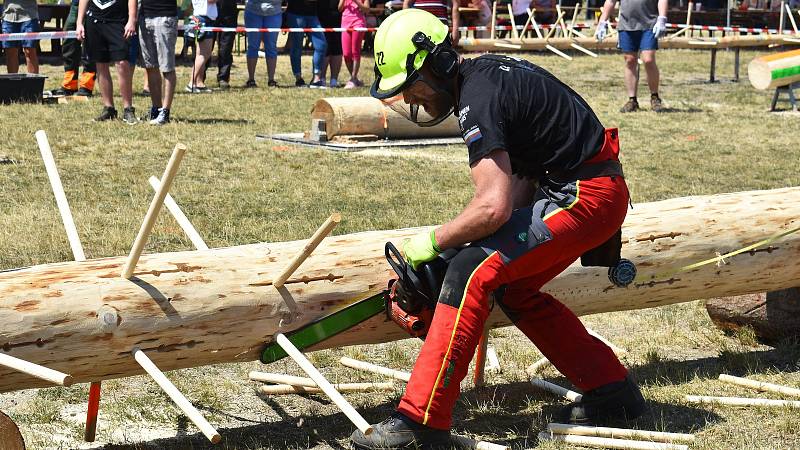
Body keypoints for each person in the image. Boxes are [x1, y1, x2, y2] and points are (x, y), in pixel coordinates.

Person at [351, 9, 646, 449]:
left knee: (469, 271)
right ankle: (612, 394)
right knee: (512, 286)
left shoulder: (478, 97)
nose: (416, 101)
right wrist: (477, 243)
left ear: (441, 63)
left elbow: (493, 206)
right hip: (582, 190)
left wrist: (432, 243)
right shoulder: (487, 78)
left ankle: (420, 423)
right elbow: (516, 193)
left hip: (585, 196)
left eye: (413, 87)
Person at [596, 0, 668, 112]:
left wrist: (662, 19)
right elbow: (610, 1)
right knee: (630, 61)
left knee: (648, 59)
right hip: (626, 25)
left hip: (649, 24)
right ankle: (632, 100)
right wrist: (602, 22)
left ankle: (655, 97)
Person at [77, 0, 138, 123]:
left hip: (118, 21)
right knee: (101, 64)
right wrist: (79, 22)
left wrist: (132, 20)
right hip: (94, 21)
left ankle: (128, 109)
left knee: (122, 63)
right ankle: (108, 108)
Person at [139, 0, 178, 124]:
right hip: (145, 17)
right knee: (150, 66)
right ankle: (156, 108)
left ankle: (165, 112)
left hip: (165, 16)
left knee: (167, 67)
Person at [53, 0, 96, 96]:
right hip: (76, 4)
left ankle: (86, 86)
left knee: (90, 44)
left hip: (93, 5)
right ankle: (70, 84)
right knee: (68, 42)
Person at [285, 0, 327, 88]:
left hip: (313, 15)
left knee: (321, 45)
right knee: (297, 46)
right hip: (295, 13)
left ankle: (316, 78)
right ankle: (298, 78)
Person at [244, 0, 282, 87]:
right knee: (253, 46)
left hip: (274, 12)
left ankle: (271, 80)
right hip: (253, 11)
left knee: (271, 46)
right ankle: (251, 80)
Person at [2, 0, 40, 74]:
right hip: (8, 17)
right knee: (10, 52)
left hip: (30, 16)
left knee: (29, 51)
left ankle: (33, 84)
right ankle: (13, 83)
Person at [186, 0, 217, 92]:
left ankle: (198, 83)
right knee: (203, 54)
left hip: (202, 18)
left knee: (202, 54)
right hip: (203, 18)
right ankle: (191, 83)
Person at [339, 0, 368, 88]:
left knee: (355, 51)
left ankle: (353, 78)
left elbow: (366, 9)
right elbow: (340, 9)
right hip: (345, 23)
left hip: (358, 22)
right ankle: (354, 79)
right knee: (346, 54)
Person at [318, 0, 343, 87]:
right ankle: (322, 78)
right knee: (325, 48)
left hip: (338, 19)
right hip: (322, 18)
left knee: (337, 49)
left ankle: (334, 80)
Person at [213, 0, 237, 89]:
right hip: (211, 9)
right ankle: (199, 78)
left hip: (229, 9)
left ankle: (223, 78)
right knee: (206, 47)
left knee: (226, 48)